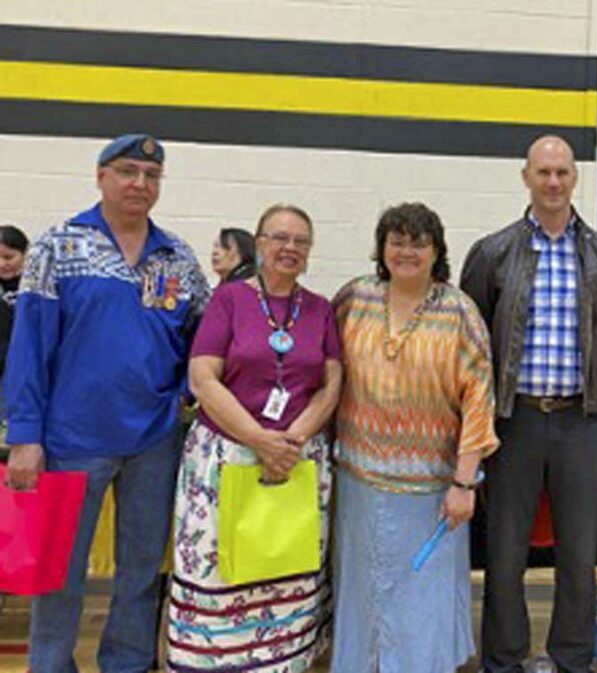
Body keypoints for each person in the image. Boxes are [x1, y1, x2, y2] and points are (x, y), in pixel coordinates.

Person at [3, 133, 211, 673]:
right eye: (126, 172)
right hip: (72, 440)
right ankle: (50, 665)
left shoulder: (178, 256)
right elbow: (28, 346)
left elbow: (207, 337)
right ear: (101, 176)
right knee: (59, 571)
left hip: (155, 440)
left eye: (151, 176)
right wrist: (24, 436)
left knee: (141, 569)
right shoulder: (58, 247)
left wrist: (186, 394)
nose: (139, 184)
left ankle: (128, 662)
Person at [460, 135, 597, 673]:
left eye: (562, 172)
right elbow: (474, 339)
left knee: (578, 554)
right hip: (513, 421)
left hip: (580, 421)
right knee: (505, 553)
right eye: (544, 172)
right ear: (526, 177)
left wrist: (585, 392)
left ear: (575, 178)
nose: (553, 182)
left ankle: (572, 657)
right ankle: (505, 659)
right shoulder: (493, 252)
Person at [167, 204, 341, 672]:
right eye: (279, 237)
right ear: (259, 243)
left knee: (285, 560)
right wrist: (259, 439)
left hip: (297, 458)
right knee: (223, 568)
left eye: (300, 241)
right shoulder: (229, 301)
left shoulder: (321, 309)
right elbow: (203, 378)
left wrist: (292, 438)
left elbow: (331, 383)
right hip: (226, 456)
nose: (290, 248)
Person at [331, 202, 498, 672]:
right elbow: (325, 375)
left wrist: (464, 484)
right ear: (382, 248)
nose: (406, 252)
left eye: (418, 243)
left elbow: (479, 403)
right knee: (363, 596)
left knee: (421, 601)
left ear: (436, 251)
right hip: (358, 485)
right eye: (396, 241)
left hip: (430, 494)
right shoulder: (353, 299)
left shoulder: (459, 312)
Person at [0, 223, 29, 418]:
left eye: (9, 257)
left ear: (25, 254)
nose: (2, 264)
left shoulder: (35, 289)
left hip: (25, 368)